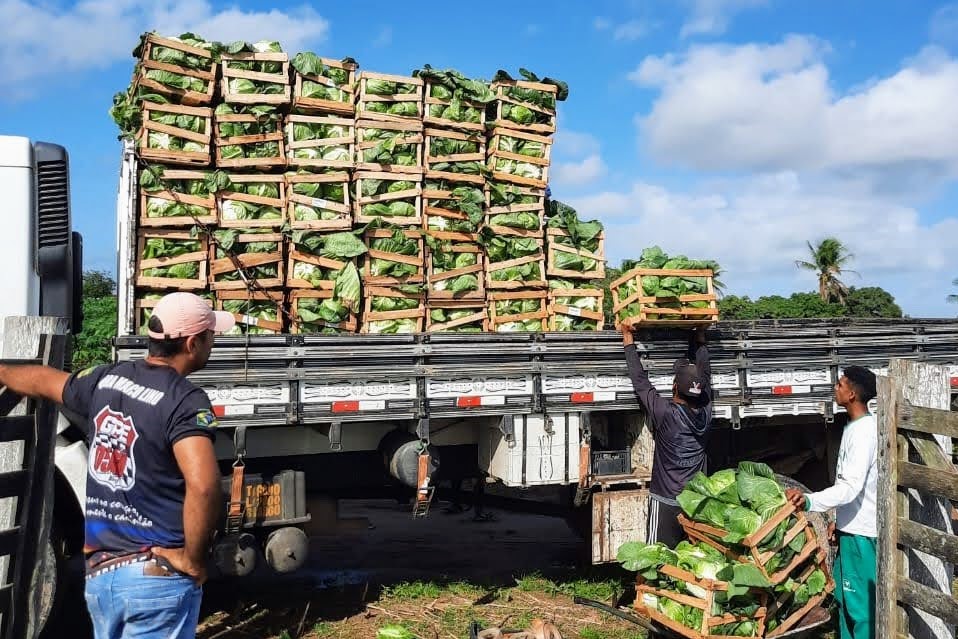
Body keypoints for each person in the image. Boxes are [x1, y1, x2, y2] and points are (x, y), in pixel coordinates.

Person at [0, 291, 234, 639]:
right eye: (212, 335)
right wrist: (193, 560)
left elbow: (42, 380)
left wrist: (2, 370)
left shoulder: (106, 379)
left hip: (102, 577)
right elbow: (203, 485)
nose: (214, 341)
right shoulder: (184, 400)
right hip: (156, 579)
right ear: (192, 343)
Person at [786, 366, 877, 639]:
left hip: (862, 534)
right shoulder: (856, 427)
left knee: (861, 611)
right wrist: (837, 522)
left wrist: (810, 501)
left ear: (851, 393)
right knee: (845, 601)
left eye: (839, 385)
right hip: (851, 530)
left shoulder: (863, 433)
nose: (835, 389)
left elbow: (850, 488)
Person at [621, 321, 712, 546]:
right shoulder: (707, 412)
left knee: (656, 559)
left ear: (674, 387)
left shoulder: (667, 414)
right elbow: (706, 375)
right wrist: (699, 337)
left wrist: (627, 339)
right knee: (694, 558)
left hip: (666, 501)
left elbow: (640, 383)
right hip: (695, 501)